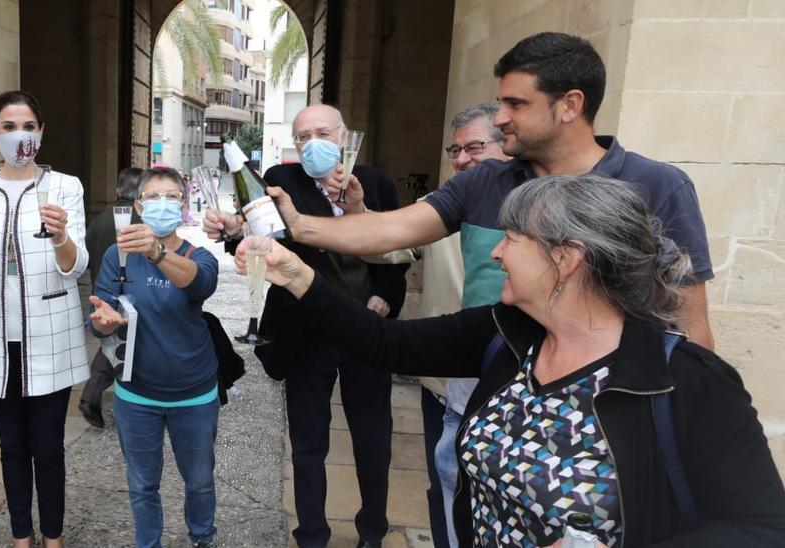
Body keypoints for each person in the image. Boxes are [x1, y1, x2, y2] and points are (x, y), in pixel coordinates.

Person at [239, 174, 785, 546]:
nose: (496, 252)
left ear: (566, 258)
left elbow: (762, 528)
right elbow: (388, 345)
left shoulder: (689, 381)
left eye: (513, 239)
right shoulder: (508, 334)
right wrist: (296, 276)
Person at [265, 32, 715, 352]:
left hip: (605, 409)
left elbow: (689, 322)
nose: (499, 118)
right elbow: (391, 230)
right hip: (485, 377)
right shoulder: (486, 179)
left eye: (515, 104)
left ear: (570, 106)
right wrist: (300, 226)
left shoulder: (658, 186)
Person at [203, 104, 406, 548]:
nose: (312, 143)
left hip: (366, 330)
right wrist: (230, 228)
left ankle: (373, 528)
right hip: (307, 330)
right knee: (307, 442)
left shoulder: (375, 182)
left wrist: (387, 296)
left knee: (372, 436)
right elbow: (260, 226)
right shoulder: (283, 178)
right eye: (302, 136)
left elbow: (397, 249)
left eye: (322, 132)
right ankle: (311, 532)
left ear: (345, 135)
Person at [0, 90, 89, 548]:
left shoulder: (66, 186)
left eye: (28, 126)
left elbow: (76, 266)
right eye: (8, 127)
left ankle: (53, 536)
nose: (19, 136)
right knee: (12, 445)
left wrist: (61, 235)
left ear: (41, 132)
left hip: (51, 333)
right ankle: (20, 535)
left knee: (47, 446)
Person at [87, 167, 221, 548]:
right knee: (142, 484)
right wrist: (106, 322)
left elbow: (199, 283)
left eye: (171, 196)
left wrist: (156, 251)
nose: (162, 204)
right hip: (136, 394)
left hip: (193, 394)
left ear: (183, 205)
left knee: (199, 480)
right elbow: (100, 317)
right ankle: (149, 543)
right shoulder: (118, 255)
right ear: (139, 205)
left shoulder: (200, 256)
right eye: (153, 197)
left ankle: (202, 538)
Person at [418, 103, 511, 548]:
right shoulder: (439, 204)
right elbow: (384, 246)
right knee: (446, 478)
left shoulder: (537, 216)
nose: (460, 159)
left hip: (499, 378)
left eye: (474, 146)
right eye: (455, 149)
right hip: (447, 376)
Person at [79, 166, 144, 428]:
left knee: (113, 343)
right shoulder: (142, 223)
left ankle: (92, 396)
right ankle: (95, 396)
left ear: (118, 189)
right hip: (131, 294)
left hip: (102, 290)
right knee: (120, 344)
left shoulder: (100, 219)